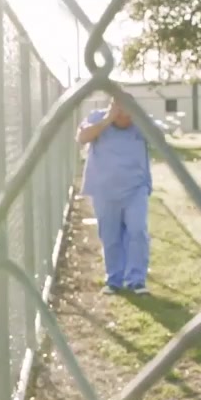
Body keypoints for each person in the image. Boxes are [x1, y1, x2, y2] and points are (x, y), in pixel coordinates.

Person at [76, 97, 152, 295]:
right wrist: (107, 120)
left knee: (137, 231)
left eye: (129, 113)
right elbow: (82, 137)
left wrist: (139, 118)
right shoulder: (97, 118)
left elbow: (159, 137)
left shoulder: (140, 122)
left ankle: (136, 280)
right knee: (110, 236)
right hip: (104, 190)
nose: (126, 118)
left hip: (135, 189)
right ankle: (114, 280)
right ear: (113, 109)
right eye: (121, 112)